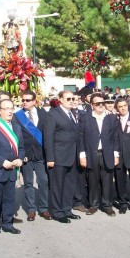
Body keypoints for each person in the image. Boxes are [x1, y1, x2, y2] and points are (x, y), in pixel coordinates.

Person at [0, 99, 25, 238]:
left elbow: (21, 147)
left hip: (12, 169)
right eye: (6, 108)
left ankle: (8, 224)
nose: (10, 111)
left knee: (9, 199)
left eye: (11, 108)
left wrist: (20, 158)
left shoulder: (17, 127)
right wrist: (1, 162)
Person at [12, 90, 51, 221]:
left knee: (43, 182)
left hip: (40, 154)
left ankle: (44, 208)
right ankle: (31, 209)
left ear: (34, 101)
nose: (25, 102)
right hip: (26, 155)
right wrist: (20, 155)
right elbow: (16, 136)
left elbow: (47, 133)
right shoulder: (17, 116)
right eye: (23, 100)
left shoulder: (43, 113)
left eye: (28, 100)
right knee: (28, 183)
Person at [79, 93, 120, 217]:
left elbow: (116, 138)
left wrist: (116, 155)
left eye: (102, 103)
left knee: (107, 181)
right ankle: (94, 205)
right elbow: (80, 138)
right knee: (92, 181)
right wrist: (82, 156)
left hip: (107, 154)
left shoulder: (111, 118)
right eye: (97, 104)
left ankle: (107, 205)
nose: (101, 106)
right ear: (92, 105)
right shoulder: (85, 118)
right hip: (92, 154)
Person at [44, 91, 79, 223]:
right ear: (60, 100)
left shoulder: (73, 113)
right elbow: (48, 137)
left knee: (69, 185)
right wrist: (50, 158)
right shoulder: (53, 114)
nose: (71, 100)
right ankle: (57, 212)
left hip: (72, 156)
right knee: (57, 186)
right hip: (58, 157)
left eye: (73, 98)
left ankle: (66, 209)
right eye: (68, 98)